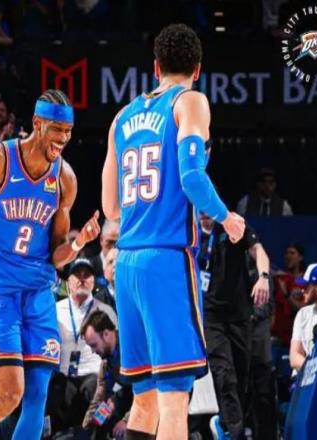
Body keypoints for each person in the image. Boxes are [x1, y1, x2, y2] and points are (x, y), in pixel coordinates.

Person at [101, 23, 245, 440]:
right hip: (165, 261)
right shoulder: (190, 102)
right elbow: (192, 177)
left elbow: (111, 207)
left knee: (143, 398)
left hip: (126, 263)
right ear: (197, 69)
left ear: (155, 67)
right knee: (174, 399)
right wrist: (227, 217)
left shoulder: (121, 118)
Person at [0, 89, 101, 440]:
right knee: (9, 396)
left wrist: (79, 242)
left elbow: (56, 254)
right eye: (57, 129)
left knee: (36, 397)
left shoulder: (65, 179)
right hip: (1, 293)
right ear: (37, 123)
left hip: (39, 293)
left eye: (68, 132)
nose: (63, 138)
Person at [197, 212, 270, 439]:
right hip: (210, 316)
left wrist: (264, 277)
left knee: (241, 377)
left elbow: (258, 250)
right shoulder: (188, 231)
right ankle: (233, 432)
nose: (204, 215)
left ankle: (224, 421)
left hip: (239, 314)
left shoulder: (232, 223)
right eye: (200, 210)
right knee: (224, 373)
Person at [49, 257, 117, 434]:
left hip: (94, 376)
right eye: (77, 275)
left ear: (93, 281)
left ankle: (93, 434)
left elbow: (114, 352)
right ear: (68, 282)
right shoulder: (55, 310)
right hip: (63, 375)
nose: (82, 279)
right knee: (57, 390)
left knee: (96, 391)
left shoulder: (106, 311)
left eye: (87, 275)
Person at [81, 310, 133, 440]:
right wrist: (87, 426)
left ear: (106, 334)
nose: (93, 351)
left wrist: (127, 421)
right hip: (128, 397)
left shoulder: (132, 350)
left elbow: (147, 391)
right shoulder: (106, 363)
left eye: (94, 345)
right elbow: (101, 394)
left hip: (152, 398)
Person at [289, 264, 317, 372]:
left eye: (306, 287)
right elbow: (294, 357)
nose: (302, 291)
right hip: (308, 376)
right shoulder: (303, 314)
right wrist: (316, 371)